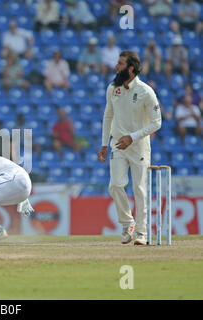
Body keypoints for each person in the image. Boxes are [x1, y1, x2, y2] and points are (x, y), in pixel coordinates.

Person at [98, 51, 162, 246]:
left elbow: (157, 122)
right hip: (117, 144)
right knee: (115, 185)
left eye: (120, 64)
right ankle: (128, 223)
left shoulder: (145, 91)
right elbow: (108, 116)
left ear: (131, 68)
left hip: (139, 146)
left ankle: (142, 233)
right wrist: (103, 144)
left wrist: (132, 137)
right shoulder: (113, 88)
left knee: (140, 189)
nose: (116, 67)